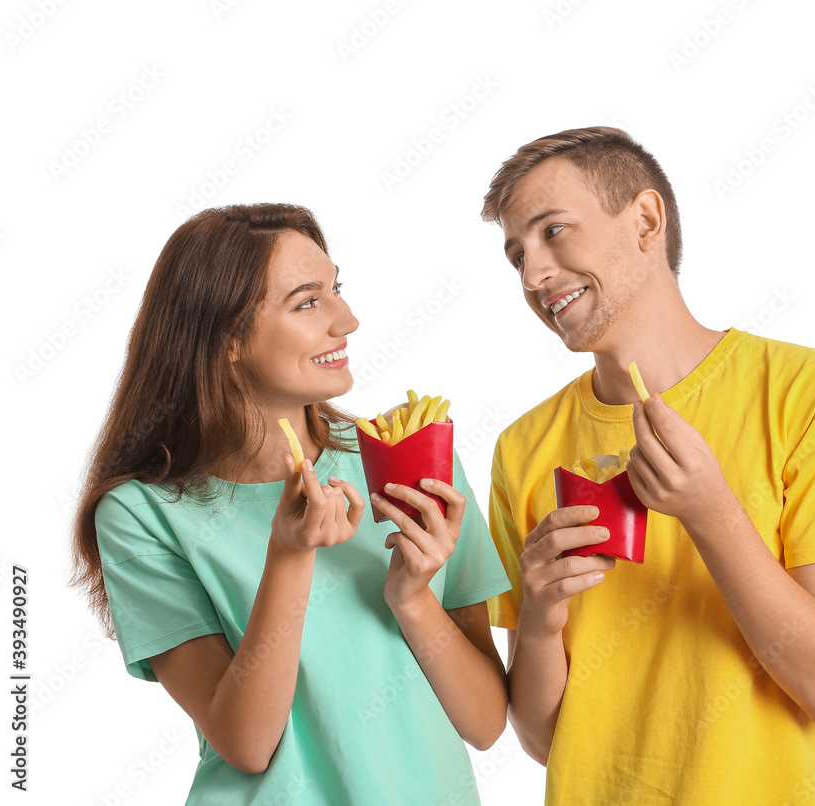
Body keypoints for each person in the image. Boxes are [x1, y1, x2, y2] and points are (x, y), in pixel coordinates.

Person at [480, 127, 815, 805]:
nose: (533, 276)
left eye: (554, 232)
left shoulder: (812, 395)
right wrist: (538, 614)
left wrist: (710, 511)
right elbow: (544, 739)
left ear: (646, 221)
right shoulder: (523, 447)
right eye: (517, 256)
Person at [71, 203, 511, 805]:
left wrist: (413, 600)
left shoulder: (409, 456)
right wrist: (288, 556)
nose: (347, 321)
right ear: (226, 341)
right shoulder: (141, 514)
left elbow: (485, 724)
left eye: (337, 290)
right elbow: (247, 744)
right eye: (308, 302)